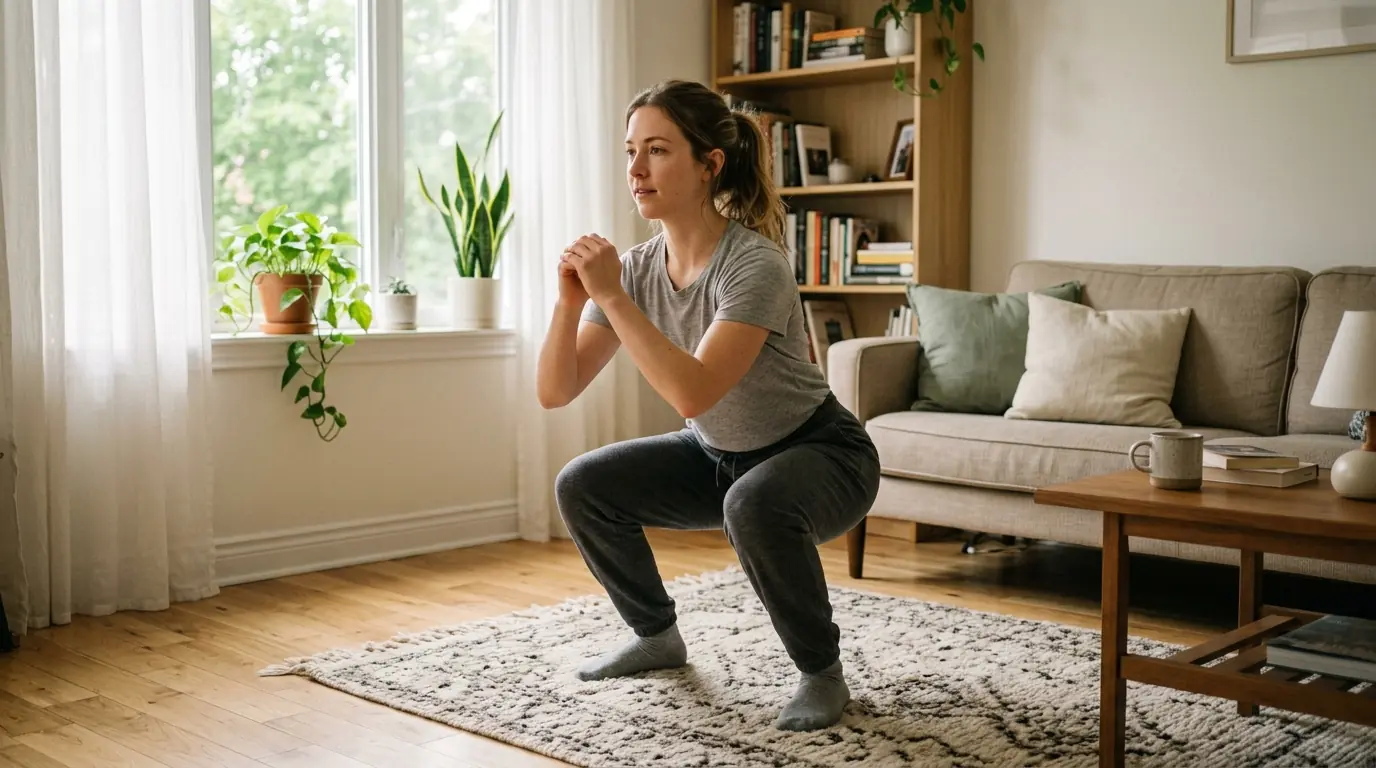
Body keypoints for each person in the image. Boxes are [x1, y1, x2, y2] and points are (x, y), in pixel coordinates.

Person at [536, 78, 881, 732]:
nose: (636, 169)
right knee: (584, 484)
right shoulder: (637, 269)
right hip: (716, 454)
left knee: (753, 502)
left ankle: (821, 672)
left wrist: (611, 299)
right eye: (631, 150)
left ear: (709, 165)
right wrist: (569, 301)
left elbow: (693, 390)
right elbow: (556, 391)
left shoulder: (754, 264)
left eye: (658, 151)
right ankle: (657, 637)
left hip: (820, 453)